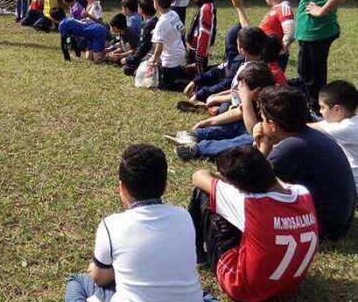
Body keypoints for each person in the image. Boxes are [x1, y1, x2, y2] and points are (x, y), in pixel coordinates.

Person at [64, 144, 214, 302]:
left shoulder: (111, 225)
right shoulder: (184, 216)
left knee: (78, 281)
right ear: (165, 186)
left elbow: (99, 279)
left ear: (122, 187)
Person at [188, 146, 319, 302]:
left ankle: (197, 256)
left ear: (239, 188)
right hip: (289, 285)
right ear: (269, 166)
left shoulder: (248, 203)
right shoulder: (303, 193)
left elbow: (199, 176)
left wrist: (224, 178)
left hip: (243, 288)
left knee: (204, 193)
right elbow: (275, 180)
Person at [253, 86, 356, 240]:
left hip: (324, 228)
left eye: (262, 119)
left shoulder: (290, 148)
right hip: (339, 221)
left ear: (273, 125)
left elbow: (251, 185)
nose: (261, 124)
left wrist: (263, 148)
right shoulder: (306, 136)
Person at [166, 62, 275, 160]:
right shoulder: (255, 97)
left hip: (261, 139)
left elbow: (254, 132)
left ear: (258, 91)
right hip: (248, 129)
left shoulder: (271, 102)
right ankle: (195, 136)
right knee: (234, 124)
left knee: (248, 140)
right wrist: (207, 122)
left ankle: (199, 149)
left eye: (244, 90)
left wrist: (246, 98)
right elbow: (238, 113)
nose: (241, 92)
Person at [295, 0, 352, 114]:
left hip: (316, 32)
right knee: (307, 70)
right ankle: (315, 103)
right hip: (315, 33)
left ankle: (316, 109)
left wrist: (320, 11)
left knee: (312, 74)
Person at [230, 0, 295, 70]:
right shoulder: (274, 10)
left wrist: (281, 50)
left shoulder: (284, 8)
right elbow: (249, 33)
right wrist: (239, 7)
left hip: (269, 58)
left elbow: (290, 32)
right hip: (260, 54)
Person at [309, 80, 358, 192]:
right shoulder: (352, 120)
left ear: (337, 109)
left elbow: (303, 129)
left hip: (352, 186)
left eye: (322, 107)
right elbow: (318, 125)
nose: (320, 112)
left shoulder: (346, 128)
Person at [147, 0, 186, 90]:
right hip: (180, 52)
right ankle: (182, 72)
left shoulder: (161, 24)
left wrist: (153, 61)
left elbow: (159, 48)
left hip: (170, 58)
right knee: (174, 73)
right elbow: (183, 31)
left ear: (156, 3)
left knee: (166, 85)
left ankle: (189, 85)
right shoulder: (174, 13)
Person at [185, 0, 216, 77]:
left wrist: (200, 56)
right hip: (194, 49)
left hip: (198, 51)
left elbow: (205, 33)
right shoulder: (204, 6)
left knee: (198, 77)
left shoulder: (205, 8)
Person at [123, 0, 158, 76]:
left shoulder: (151, 24)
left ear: (140, 9)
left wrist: (129, 59)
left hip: (152, 57)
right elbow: (141, 45)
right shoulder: (146, 22)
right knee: (127, 66)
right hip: (145, 55)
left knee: (128, 69)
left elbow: (145, 47)